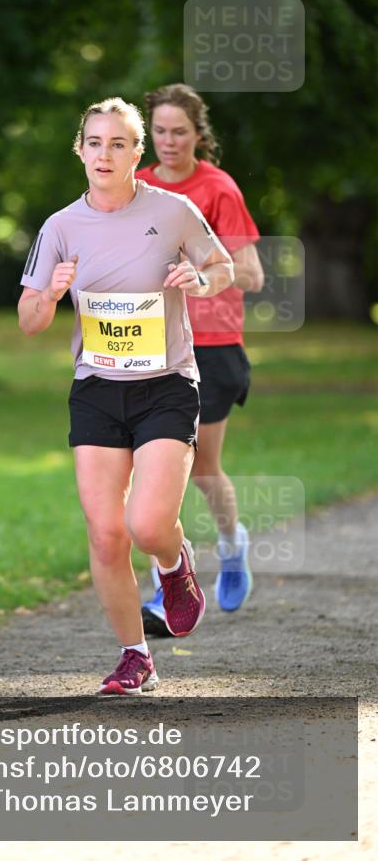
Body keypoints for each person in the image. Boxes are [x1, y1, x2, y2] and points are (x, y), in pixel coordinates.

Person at [18, 97, 234, 694]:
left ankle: (173, 562)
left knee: (146, 523)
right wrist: (52, 294)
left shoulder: (173, 210)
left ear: (137, 154)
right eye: (95, 142)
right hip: (96, 388)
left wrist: (200, 277)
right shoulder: (60, 227)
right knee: (106, 533)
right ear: (80, 150)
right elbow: (28, 319)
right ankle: (134, 653)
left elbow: (223, 268)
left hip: (165, 385)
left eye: (119, 143)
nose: (105, 153)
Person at [136, 83, 264, 635]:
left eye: (179, 132)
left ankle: (232, 545)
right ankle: (170, 588)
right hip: (147, 346)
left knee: (201, 470)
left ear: (197, 134)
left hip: (210, 348)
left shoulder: (217, 188)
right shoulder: (135, 184)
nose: (168, 142)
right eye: (159, 131)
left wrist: (198, 263)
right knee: (151, 474)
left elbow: (252, 273)